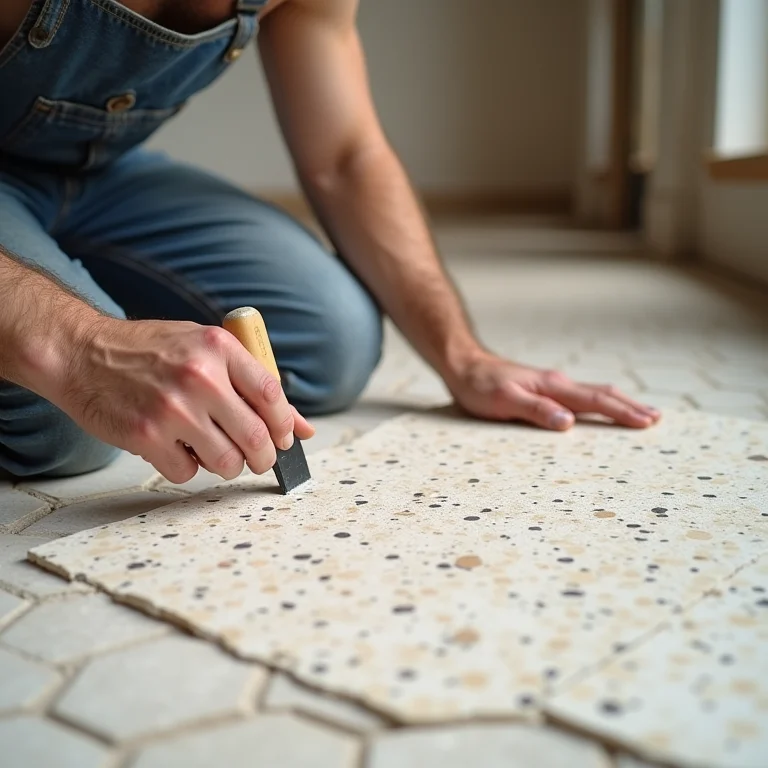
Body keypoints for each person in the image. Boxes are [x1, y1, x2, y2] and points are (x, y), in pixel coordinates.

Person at [0, 0, 661, 484]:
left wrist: (464, 357)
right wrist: (81, 342)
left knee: (333, 339)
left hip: (101, 172)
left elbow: (346, 156)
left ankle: (54, 274)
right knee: (65, 423)